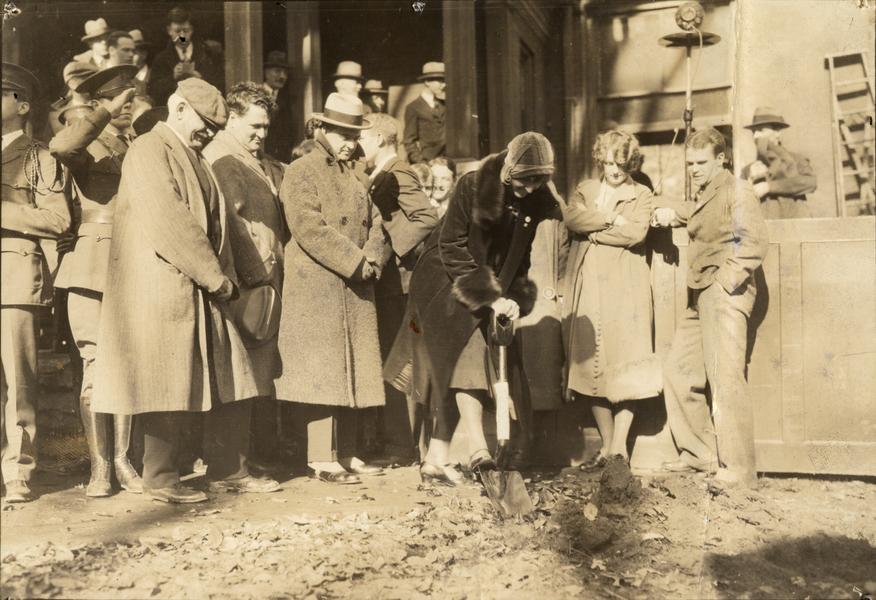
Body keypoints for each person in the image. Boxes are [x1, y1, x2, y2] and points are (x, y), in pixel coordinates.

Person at [90, 78, 263, 503]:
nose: (208, 133)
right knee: (165, 385)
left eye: (214, 128)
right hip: (163, 285)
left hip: (201, 284)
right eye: (204, 124)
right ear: (179, 107)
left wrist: (253, 275)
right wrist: (215, 278)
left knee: (233, 378)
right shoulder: (149, 148)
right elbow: (169, 220)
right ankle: (161, 480)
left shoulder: (197, 156)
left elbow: (227, 223)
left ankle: (229, 471)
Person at [386, 132, 561, 486]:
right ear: (509, 169)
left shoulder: (536, 198)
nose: (529, 189)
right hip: (444, 277)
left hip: (487, 283)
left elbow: (519, 256)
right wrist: (490, 297)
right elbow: (452, 246)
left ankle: (436, 460)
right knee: (468, 352)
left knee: (473, 362)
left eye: (536, 182)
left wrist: (513, 298)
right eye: (524, 181)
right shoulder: (473, 186)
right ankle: (480, 451)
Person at [276, 93, 387, 484]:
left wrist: (372, 258)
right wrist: (356, 262)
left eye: (354, 136)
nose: (349, 143)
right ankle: (322, 458)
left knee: (351, 370)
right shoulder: (301, 170)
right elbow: (308, 227)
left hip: (354, 285)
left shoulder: (352, 175)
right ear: (321, 128)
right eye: (342, 134)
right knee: (322, 374)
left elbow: (376, 221)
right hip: (318, 287)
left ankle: (348, 451)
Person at [652, 128, 768, 489]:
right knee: (679, 370)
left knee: (726, 379)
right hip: (700, 292)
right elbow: (702, 213)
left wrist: (724, 282)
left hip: (723, 293)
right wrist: (671, 213)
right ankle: (699, 454)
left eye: (701, 163)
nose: (694, 169)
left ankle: (738, 471)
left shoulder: (738, 190)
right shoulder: (708, 191)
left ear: (721, 159)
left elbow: (754, 242)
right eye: (690, 163)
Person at [49, 65, 143, 497]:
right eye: (118, 98)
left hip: (133, 261)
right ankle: (100, 468)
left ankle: (123, 461)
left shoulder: (136, 143)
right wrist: (103, 112)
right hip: (92, 263)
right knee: (95, 364)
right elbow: (61, 146)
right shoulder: (86, 138)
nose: (126, 105)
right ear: (100, 102)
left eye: (130, 98)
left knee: (127, 365)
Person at [203, 82, 289, 480]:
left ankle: (254, 457)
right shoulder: (225, 159)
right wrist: (256, 273)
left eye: (266, 127)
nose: (262, 134)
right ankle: (234, 466)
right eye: (255, 126)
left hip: (261, 280)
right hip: (246, 283)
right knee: (240, 372)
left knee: (255, 371)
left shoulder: (248, 157)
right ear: (231, 119)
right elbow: (230, 221)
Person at [561, 130, 659, 471]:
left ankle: (619, 449)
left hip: (626, 285)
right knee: (590, 366)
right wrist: (609, 219)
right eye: (607, 163)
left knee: (624, 364)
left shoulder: (641, 193)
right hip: (589, 284)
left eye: (620, 163)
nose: (613, 170)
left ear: (630, 163)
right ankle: (606, 446)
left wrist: (594, 232)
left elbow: (635, 233)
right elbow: (572, 218)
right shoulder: (587, 189)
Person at [1, 63, 71, 503]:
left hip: (11, 280)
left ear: (22, 106)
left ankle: (17, 471)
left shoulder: (37, 157)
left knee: (18, 382)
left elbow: (58, 219)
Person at [359, 113, 439, 464]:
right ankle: (395, 443)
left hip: (400, 284)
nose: (357, 144)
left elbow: (427, 218)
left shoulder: (398, 172)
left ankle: (402, 446)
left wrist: (391, 238)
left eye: (362, 137)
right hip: (389, 283)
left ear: (379, 138)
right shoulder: (380, 172)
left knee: (398, 363)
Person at [741, 107, 816, 219]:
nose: (755, 136)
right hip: (764, 226)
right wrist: (750, 181)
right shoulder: (749, 169)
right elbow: (739, 202)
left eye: (760, 130)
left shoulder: (797, 160)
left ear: (777, 132)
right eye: (753, 132)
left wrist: (768, 187)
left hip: (795, 224)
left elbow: (810, 183)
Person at [148, 6, 224, 107]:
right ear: (169, 31)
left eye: (186, 30)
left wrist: (201, 79)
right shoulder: (161, 59)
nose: (182, 36)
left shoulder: (208, 54)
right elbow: (153, 92)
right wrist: (172, 77)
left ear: (192, 30)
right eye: (177, 31)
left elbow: (221, 86)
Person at [403, 62, 445, 164]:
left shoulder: (444, 105)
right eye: (440, 81)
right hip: (427, 163)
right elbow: (409, 141)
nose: (444, 85)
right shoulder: (413, 107)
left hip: (446, 161)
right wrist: (422, 164)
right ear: (427, 82)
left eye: (444, 81)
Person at [262, 51, 294, 162]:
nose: (282, 76)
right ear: (266, 72)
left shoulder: (286, 99)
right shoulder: (257, 94)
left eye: (285, 72)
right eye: (277, 71)